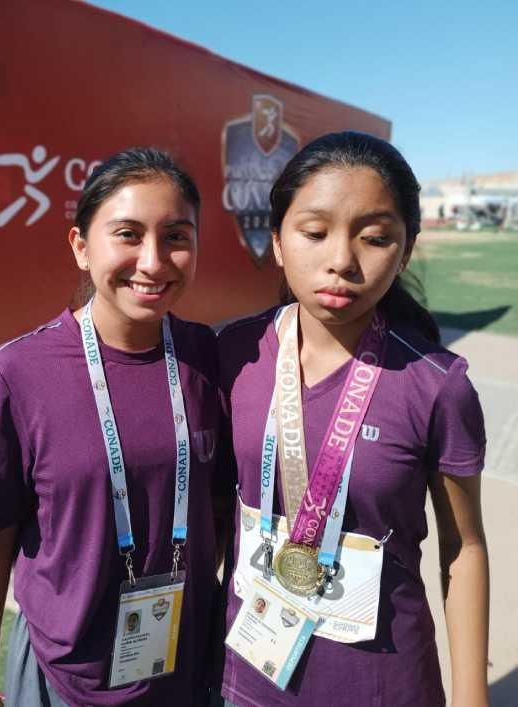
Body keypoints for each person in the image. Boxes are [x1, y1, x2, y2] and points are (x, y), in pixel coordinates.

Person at [217, 132, 489, 707]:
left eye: (374, 238)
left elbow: (463, 548)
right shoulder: (234, 353)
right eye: (314, 233)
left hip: (380, 686)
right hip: (246, 675)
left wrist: (471, 695)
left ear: (406, 249)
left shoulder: (437, 385)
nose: (341, 260)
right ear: (279, 242)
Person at [0, 148, 224, 706]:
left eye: (176, 236)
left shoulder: (208, 357)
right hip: (64, 678)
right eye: (127, 234)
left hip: (188, 670)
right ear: (81, 246)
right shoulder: (19, 372)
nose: (153, 261)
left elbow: (220, 505)